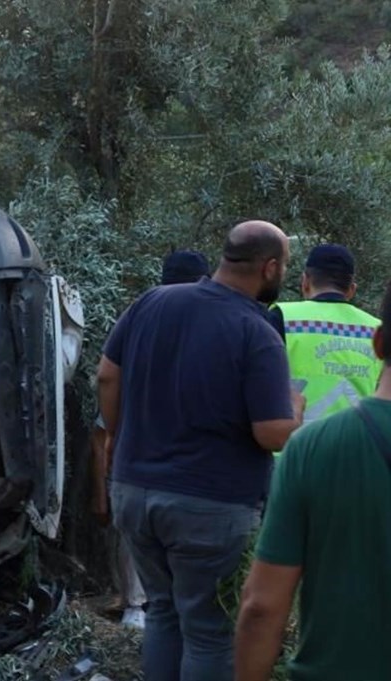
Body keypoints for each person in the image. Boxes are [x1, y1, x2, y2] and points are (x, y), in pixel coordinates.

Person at [97, 221, 304, 681]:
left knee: (164, 614)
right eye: (283, 267)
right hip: (210, 504)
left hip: (134, 491)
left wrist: (117, 434)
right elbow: (271, 434)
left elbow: (107, 375)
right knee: (209, 630)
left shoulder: (152, 302)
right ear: (270, 267)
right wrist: (294, 410)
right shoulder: (257, 330)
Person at [234, 279, 391, 681]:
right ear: (354, 286)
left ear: (379, 343)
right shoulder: (356, 320)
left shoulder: (309, 449)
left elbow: (262, 606)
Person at [91, 248, 211, 630]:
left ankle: (136, 608)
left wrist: (113, 435)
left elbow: (107, 379)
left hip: (138, 460)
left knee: (136, 535)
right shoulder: (218, 324)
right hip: (196, 465)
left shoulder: (139, 319)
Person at [269, 244, 383, 424]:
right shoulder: (377, 330)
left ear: (305, 281)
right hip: (358, 445)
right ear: (352, 289)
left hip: (295, 447)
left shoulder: (282, 317)